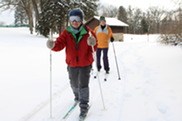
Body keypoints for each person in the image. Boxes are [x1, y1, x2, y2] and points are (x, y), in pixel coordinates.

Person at [46, 8, 97, 118]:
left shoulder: (88, 32)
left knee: (83, 85)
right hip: (72, 64)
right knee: (73, 83)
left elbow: (94, 47)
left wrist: (93, 43)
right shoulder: (66, 32)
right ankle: (77, 96)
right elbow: (59, 44)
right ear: (69, 20)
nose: (75, 21)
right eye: (72, 19)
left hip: (85, 64)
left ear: (81, 20)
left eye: (77, 19)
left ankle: (84, 105)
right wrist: (53, 45)